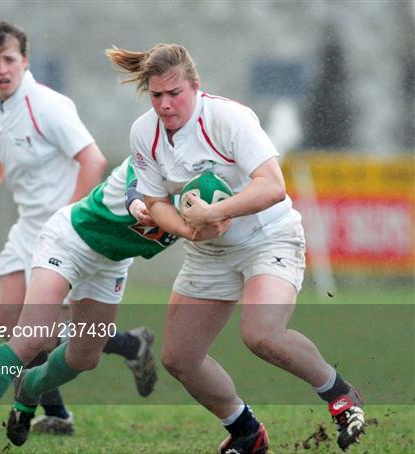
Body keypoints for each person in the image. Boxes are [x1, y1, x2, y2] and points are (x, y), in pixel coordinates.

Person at [106, 43, 366, 453]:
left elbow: (272, 186)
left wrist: (216, 211)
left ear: (196, 86)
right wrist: (192, 231)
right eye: (157, 95)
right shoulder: (144, 132)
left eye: (175, 93)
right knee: (180, 359)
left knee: (262, 334)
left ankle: (340, 396)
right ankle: (247, 433)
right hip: (211, 251)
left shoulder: (228, 118)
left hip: (268, 237)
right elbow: (155, 201)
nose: (166, 104)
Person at [0, 20, 155, 440]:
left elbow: (92, 161)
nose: (3, 68)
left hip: (62, 234)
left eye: (10, 59)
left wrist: (70, 220)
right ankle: (88, 383)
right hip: (26, 231)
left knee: (42, 336)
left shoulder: (47, 105)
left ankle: (86, 382)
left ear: (25, 61)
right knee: (13, 326)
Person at [0, 156, 179, 453]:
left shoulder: (221, 189)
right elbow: (134, 192)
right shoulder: (156, 151)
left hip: (111, 263)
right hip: (71, 240)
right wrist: (148, 209)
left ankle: (29, 388)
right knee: (32, 336)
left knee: (85, 358)